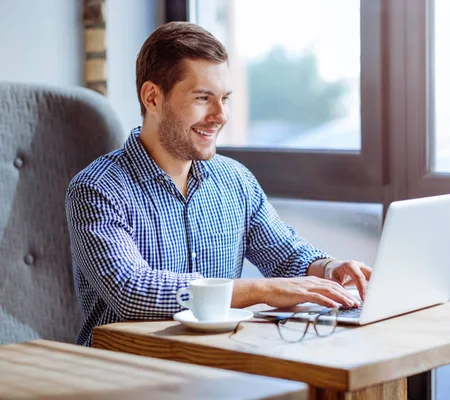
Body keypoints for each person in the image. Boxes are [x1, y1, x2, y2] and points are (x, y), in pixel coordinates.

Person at [65, 22, 371, 346]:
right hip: (124, 377)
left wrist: (328, 268)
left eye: (224, 98)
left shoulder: (235, 180)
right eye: (203, 98)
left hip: (218, 367)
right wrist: (259, 291)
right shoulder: (95, 190)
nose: (221, 115)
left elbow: (286, 255)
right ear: (152, 98)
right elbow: (133, 291)